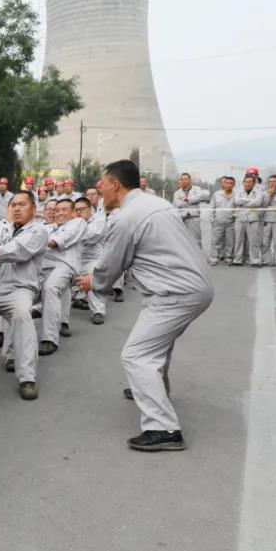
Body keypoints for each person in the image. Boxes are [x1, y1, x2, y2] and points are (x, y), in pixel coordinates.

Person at [77, 160, 214, 451]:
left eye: (103, 185)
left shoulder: (127, 217)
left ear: (115, 184)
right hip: (191, 287)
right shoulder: (155, 203)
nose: (101, 192)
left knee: (136, 355)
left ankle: (163, 428)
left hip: (174, 292)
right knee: (156, 346)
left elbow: (113, 261)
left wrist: (94, 281)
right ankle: (154, 389)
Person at [0, 190, 48, 400]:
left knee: (23, 316)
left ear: (33, 209)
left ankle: (27, 378)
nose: (16, 208)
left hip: (18, 290)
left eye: (22, 204)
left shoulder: (38, 231)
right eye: (13, 204)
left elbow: (19, 251)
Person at [39, 198, 86, 355]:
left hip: (64, 267)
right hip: (42, 268)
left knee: (51, 288)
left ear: (73, 212)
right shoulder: (49, 227)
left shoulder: (77, 223)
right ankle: (3, 333)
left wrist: (31, 242)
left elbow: (53, 243)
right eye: (57, 210)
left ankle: (49, 339)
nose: (59, 213)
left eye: (64, 209)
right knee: (16, 292)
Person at [72, 196, 108, 324]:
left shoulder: (99, 219)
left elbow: (92, 236)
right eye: (76, 210)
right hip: (75, 259)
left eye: (81, 209)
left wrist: (74, 231)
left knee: (90, 280)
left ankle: (98, 311)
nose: (78, 212)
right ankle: (40, 308)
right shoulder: (73, 221)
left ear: (90, 209)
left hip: (93, 259)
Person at [171, 173, 210, 250]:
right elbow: (178, 204)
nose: (184, 181)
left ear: (190, 180)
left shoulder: (197, 189)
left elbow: (204, 195)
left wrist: (188, 199)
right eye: (182, 179)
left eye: (186, 179)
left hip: (194, 218)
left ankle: (198, 257)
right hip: (182, 219)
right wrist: (193, 200)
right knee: (183, 239)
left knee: (196, 240)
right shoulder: (177, 193)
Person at [233, 173, 264, 266]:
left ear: (254, 183)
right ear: (243, 182)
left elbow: (258, 202)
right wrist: (250, 201)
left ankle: (254, 260)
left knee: (254, 241)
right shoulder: (238, 191)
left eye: (250, 182)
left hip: (253, 218)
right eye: (246, 182)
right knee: (238, 240)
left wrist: (244, 203)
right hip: (240, 218)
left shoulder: (259, 191)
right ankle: (237, 260)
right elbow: (237, 201)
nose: (247, 184)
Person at [210, 176, 236, 265]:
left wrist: (234, 217)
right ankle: (214, 258)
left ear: (234, 185)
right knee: (215, 241)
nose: (229, 185)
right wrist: (213, 221)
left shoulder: (236, 195)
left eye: (231, 183)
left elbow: (238, 208)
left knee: (230, 241)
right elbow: (211, 209)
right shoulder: (217, 194)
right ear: (223, 184)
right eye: (227, 183)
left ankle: (228, 258)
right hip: (218, 222)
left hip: (230, 223)